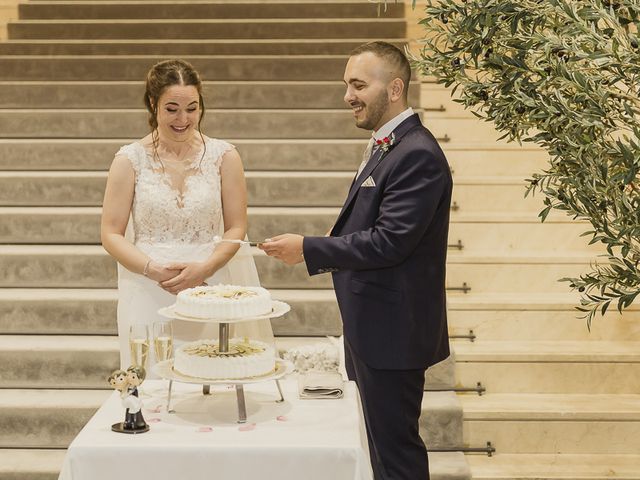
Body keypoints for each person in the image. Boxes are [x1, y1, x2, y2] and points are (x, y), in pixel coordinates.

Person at [260, 42, 452, 480]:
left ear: (396, 88)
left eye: (359, 85)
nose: (348, 95)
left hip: (394, 332)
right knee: (382, 453)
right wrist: (334, 239)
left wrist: (309, 248)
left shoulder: (416, 153)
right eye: (347, 84)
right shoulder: (391, 146)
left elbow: (390, 243)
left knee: (397, 456)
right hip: (376, 327)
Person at [101, 59, 272, 375]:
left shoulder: (224, 156)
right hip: (146, 285)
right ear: (153, 105)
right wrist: (153, 269)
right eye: (172, 109)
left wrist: (205, 268)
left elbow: (236, 226)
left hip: (209, 285)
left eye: (192, 108)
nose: (183, 119)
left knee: (211, 374)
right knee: (150, 378)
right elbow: (110, 233)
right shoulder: (129, 160)